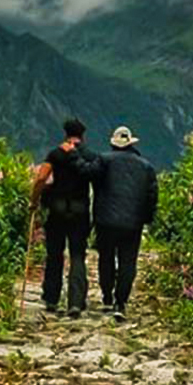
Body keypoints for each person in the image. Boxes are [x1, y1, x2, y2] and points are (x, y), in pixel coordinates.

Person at [76, 125, 158, 322]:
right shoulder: (146, 167)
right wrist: (145, 218)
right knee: (128, 261)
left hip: (105, 220)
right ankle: (120, 302)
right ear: (131, 144)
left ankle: (106, 296)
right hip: (133, 223)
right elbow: (152, 196)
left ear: (114, 144)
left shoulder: (104, 160)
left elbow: (87, 173)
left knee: (106, 258)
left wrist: (76, 152)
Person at [30, 118, 93, 317]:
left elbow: (41, 177)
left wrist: (34, 200)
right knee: (77, 255)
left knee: (55, 254)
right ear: (83, 135)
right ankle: (76, 301)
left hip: (57, 210)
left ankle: (51, 298)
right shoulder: (87, 156)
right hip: (80, 211)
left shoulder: (55, 154)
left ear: (65, 134)